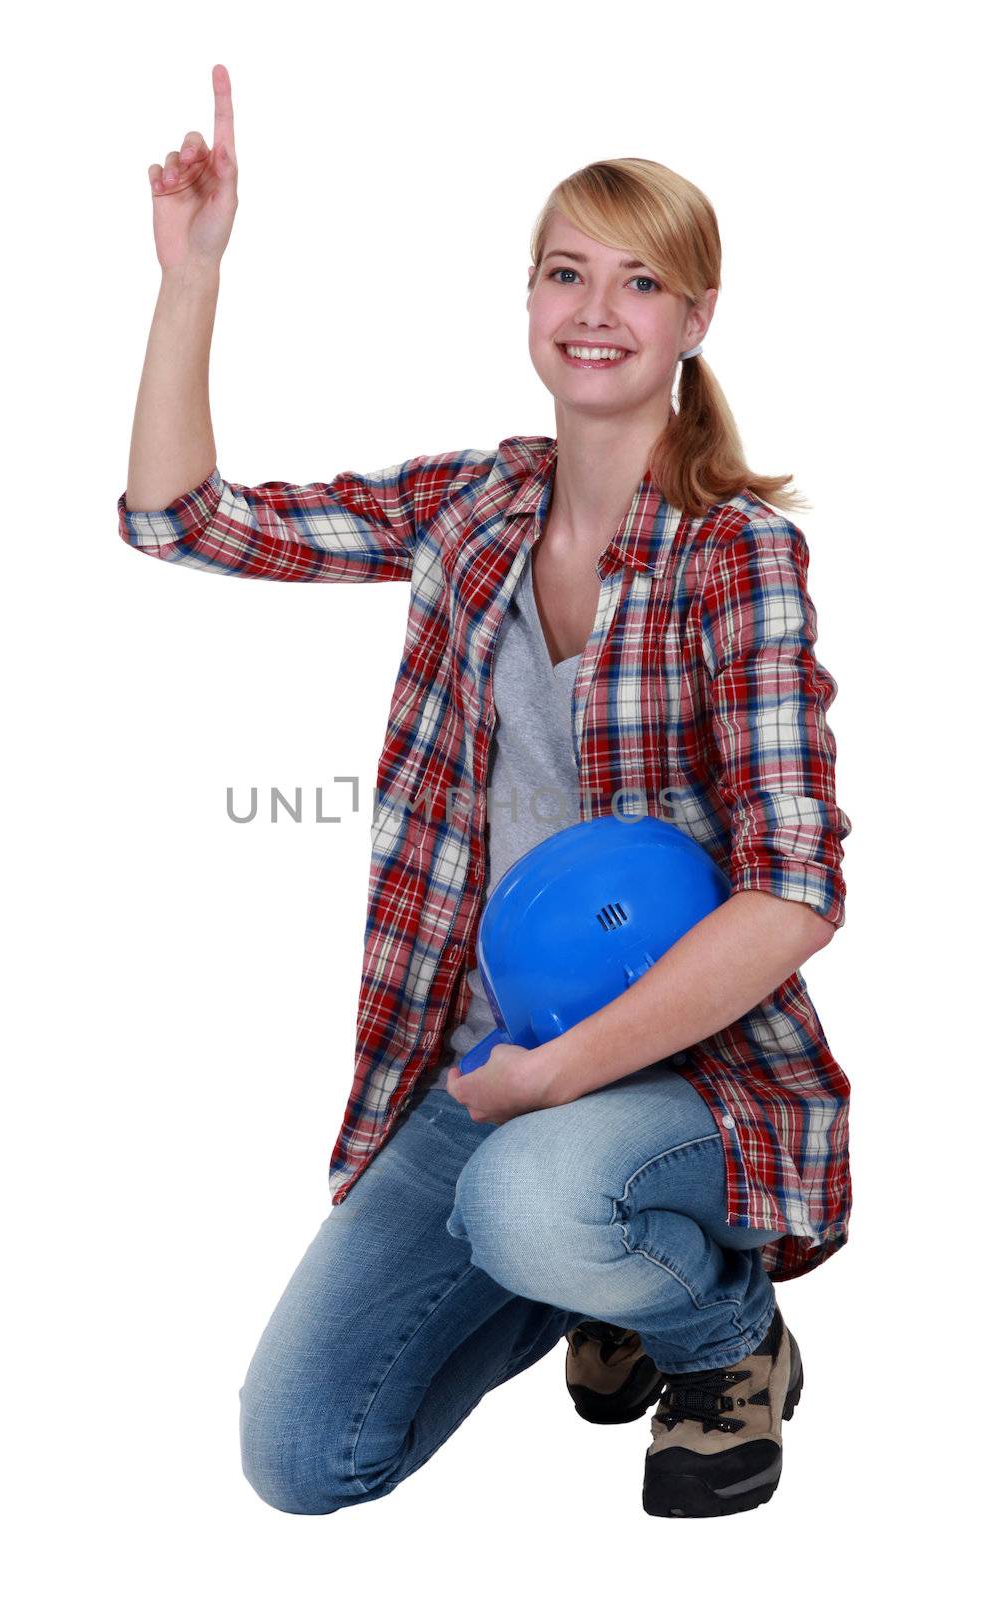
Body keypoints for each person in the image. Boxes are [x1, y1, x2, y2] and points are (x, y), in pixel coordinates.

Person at [119, 63, 852, 1520]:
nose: (596, 309)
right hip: (483, 1056)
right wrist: (192, 275)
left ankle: (718, 1334)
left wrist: (548, 1087)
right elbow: (181, 522)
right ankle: (584, 1260)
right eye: (567, 272)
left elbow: (794, 897)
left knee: (532, 1195)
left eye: (641, 281)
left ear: (694, 322)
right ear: (528, 302)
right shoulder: (472, 507)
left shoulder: (734, 557)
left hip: (688, 1077)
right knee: (302, 1458)